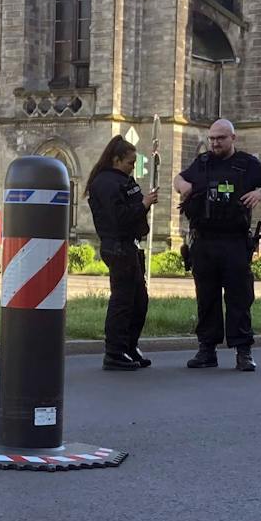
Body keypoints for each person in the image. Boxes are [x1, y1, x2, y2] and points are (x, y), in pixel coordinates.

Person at [175, 119, 261, 370]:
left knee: (239, 298)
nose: (215, 143)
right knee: (207, 298)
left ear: (233, 138)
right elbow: (178, 179)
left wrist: (260, 193)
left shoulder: (246, 164)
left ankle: (243, 352)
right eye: (212, 138)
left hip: (234, 241)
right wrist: (184, 187)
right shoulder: (202, 163)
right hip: (204, 242)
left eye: (220, 138)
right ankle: (206, 350)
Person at [85, 136, 156, 370]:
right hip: (118, 246)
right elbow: (119, 218)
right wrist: (144, 204)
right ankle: (115, 352)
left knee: (138, 301)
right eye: (129, 162)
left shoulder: (122, 180)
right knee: (123, 301)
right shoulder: (106, 183)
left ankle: (128, 346)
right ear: (116, 160)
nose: (132, 167)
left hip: (129, 246)